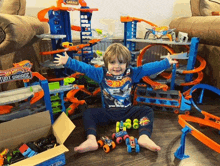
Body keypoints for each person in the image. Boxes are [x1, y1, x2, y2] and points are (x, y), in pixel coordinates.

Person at [54, 43, 177, 153]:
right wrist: (69, 61)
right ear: (106, 63)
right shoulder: (100, 73)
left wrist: (165, 62)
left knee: (147, 110)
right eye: (112, 62)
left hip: (128, 111)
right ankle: (91, 139)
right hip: (108, 112)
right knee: (88, 113)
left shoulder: (132, 72)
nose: (117, 66)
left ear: (127, 63)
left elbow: (147, 68)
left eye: (121, 62)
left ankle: (144, 136)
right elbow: (85, 68)